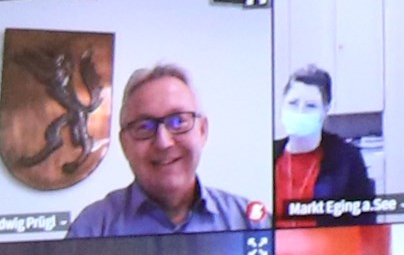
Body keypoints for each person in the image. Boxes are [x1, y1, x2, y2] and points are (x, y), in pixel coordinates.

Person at [69, 66, 267, 236]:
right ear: (124, 144)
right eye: (144, 127)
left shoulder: (251, 222)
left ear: (203, 130)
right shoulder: (92, 228)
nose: (163, 143)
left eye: (179, 121)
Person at [272, 65, 380, 220]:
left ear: (325, 110)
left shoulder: (347, 159)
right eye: (293, 103)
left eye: (311, 106)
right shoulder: (268, 156)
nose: (300, 112)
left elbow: (365, 223)